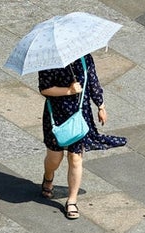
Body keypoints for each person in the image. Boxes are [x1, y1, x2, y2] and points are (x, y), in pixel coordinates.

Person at [38, 53, 126, 219]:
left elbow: (92, 81)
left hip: (80, 113)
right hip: (56, 115)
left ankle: (72, 201)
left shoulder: (85, 57)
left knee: (76, 158)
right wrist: (68, 90)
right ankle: (48, 177)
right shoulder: (48, 60)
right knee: (54, 158)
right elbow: (45, 88)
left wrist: (101, 105)